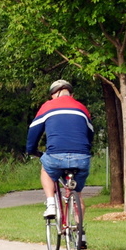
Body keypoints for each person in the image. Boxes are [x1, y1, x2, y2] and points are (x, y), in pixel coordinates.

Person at [25, 79, 93, 222]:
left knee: (46, 170)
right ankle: (80, 230)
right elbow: (90, 134)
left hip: (56, 156)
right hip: (81, 158)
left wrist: (32, 150)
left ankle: (51, 204)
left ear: (53, 95)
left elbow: (33, 131)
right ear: (71, 95)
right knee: (77, 193)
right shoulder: (82, 108)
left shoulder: (47, 106)